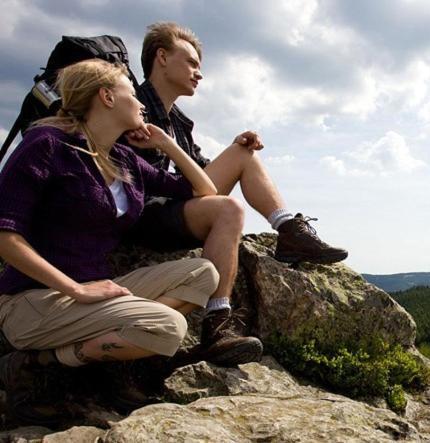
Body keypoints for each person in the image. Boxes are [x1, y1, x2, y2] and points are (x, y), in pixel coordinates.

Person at [0, 59, 262, 425]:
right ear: (106, 97)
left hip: (90, 293)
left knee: (204, 274)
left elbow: (204, 190)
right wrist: (75, 289)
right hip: (33, 302)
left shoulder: (123, 158)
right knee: (169, 326)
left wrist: (166, 143)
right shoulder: (46, 145)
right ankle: (40, 366)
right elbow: (5, 236)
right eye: (131, 93)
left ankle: (77, 354)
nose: (141, 102)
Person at [125, 23, 348, 340]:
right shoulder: (134, 108)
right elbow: (139, 180)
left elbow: (200, 169)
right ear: (161, 57)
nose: (198, 74)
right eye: (190, 63)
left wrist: (230, 152)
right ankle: (217, 319)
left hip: (174, 208)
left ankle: (288, 231)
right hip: (146, 214)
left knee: (244, 152)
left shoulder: (178, 122)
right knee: (229, 208)